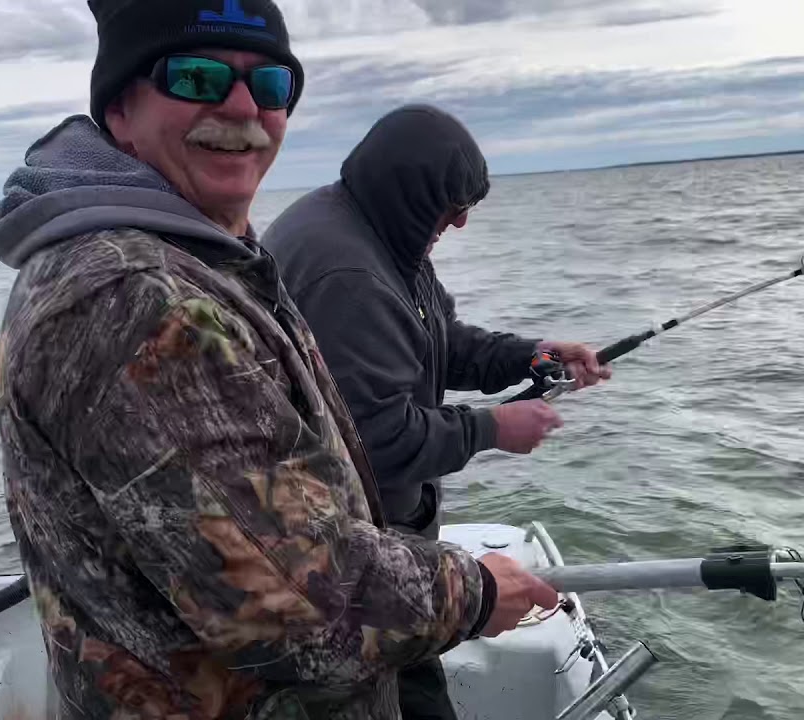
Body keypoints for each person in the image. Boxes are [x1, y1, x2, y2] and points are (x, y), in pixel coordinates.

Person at [0, 1, 557, 718]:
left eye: (271, 83)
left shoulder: (197, 259)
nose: (243, 106)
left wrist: (524, 356)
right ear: (120, 107)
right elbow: (297, 606)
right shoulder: (134, 297)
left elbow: (433, 340)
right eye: (198, 77)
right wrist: (479, 590)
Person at [260, 104, 612, 719]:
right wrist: (492, 428)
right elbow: (374, 438)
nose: (462, 221)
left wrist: (530, 355)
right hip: (346, 566)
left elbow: (437, 341)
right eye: (454, 205)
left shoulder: (383, 232)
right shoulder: (347, 273)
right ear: (409, 190)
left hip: (381, 552)